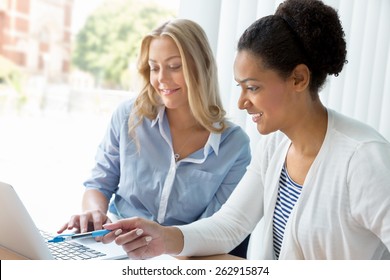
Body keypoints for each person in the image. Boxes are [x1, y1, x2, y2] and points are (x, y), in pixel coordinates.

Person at [101, 0, 390, 260]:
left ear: (299, 79)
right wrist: (163, 238)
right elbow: (231, 225)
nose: (241, 102)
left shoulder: (363, 158)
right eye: (240, 87)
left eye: (253, 87)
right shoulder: (276, 145)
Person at [58, 19, 251, 257]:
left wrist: (163, 242)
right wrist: (95, 213)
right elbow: (98, 184)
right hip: (117, 248)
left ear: (201, 66)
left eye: (174, 66)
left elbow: (214, 230)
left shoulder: (235, 146)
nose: (161, 79)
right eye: (154, 67)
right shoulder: (129, 116)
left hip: (181, 258)